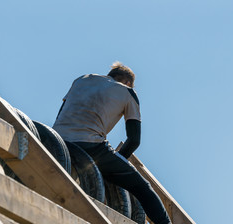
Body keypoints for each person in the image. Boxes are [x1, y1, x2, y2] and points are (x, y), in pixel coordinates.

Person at [53, 62, 171, 224]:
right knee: (143, 189)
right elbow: (134, 140)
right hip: (92, 145)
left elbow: (61, 115)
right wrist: (114, 167)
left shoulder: (82, 79)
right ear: (128, 82)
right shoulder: (128, 92)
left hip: (57, 141)